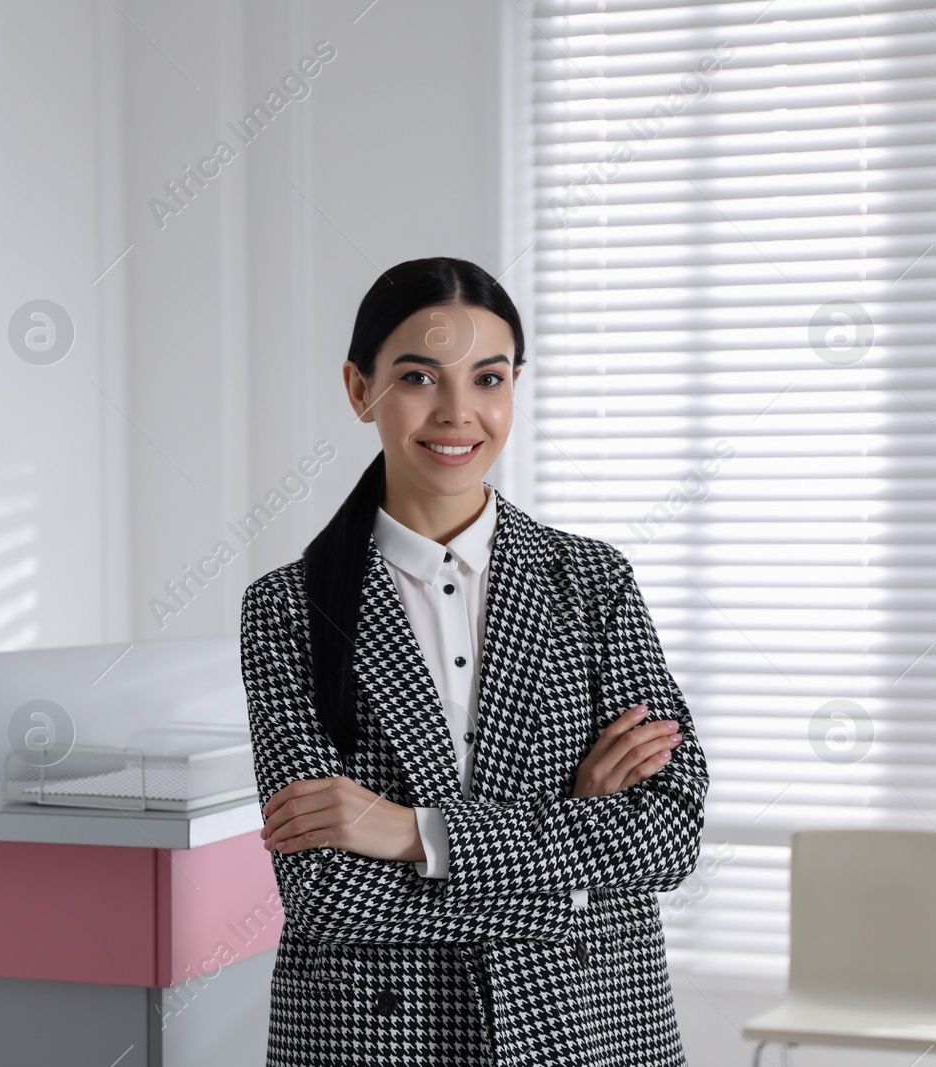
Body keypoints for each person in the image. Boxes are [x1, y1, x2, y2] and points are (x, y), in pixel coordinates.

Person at [239, 256, 708, 1065]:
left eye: (488, 379)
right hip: (378, 1037)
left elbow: (668, 833)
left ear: (515, 387)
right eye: (420, 377)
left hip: (584, 1026)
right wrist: (575, 849)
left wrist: (411, 832)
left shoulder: (592, 583)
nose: (459, 413)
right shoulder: (287, 607)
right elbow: (325, 895)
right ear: (361, 390)